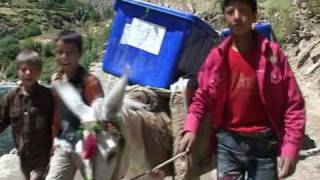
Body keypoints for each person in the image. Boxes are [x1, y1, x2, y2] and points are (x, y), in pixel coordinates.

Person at [179, 0, 306, 179]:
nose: (237, 17)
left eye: (244, 10)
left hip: (264, 145)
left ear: (255, 15)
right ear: (224, 17)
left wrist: (291, 147)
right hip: (227, 145)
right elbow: (202, 96)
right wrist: (191, 127)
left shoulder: (273, 56)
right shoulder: (217, 57)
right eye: (230, 11)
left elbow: (293, 104)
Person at [46, 30, 104, 180]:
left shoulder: (90, 83)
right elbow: (57, 114)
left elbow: (99, 117)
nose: (64, 57)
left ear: (79, 54)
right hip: (64, 146)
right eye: (60, 52)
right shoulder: (57, 81)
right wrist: (53, 139)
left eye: (70, 53)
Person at [0, 49, 53, 180]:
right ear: (18, 71)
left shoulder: (48, 96)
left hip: (43, 155)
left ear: (39, 72)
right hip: (23, 155)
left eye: (33, 69)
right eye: (24, 69)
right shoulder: (10, 97)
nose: (28, 73)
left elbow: (56, 122)